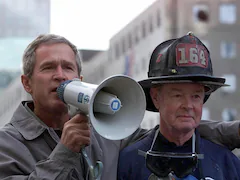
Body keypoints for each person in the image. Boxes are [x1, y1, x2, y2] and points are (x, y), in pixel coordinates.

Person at [0, 34, 239, 180]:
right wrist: (64, 153)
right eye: (48, 68)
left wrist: (232, 132)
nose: (60, 76)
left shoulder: (107, 133)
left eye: (68, 68)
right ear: (26, 83)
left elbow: (173, 131)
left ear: (80, 80)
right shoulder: (7, 144)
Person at [117, 32, 240, 180]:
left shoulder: (226, 163)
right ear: (156, 97)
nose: (188, 105)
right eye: (178, 95)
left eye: (195, 96)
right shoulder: (129, 162)